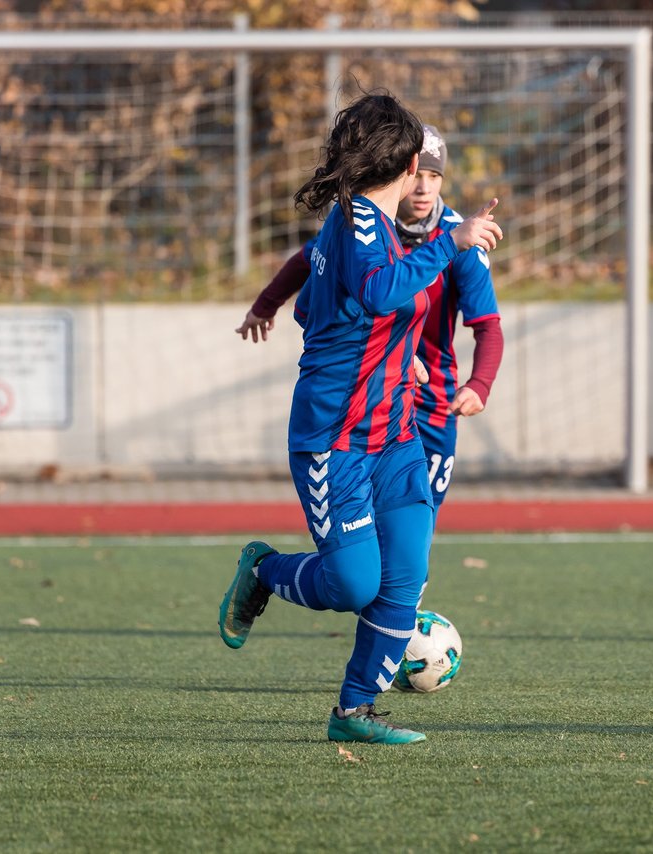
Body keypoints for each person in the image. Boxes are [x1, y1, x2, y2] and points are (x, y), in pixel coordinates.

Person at [218, 92, 503, 744]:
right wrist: (451, 243)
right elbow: (379, 294)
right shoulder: (356, 225)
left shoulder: (369, 228)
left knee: (406, 572)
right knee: (353, 583)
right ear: (402, 164)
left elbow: (340, 309)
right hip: (334, 439)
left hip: (396, 432)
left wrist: (401, 363)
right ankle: (262, 570)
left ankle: (353, 711)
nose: (424, 178)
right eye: (419, 165)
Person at [236, 124, 503, 514]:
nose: (426, 188)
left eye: (436, 177)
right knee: (363, 536)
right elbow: (307, 261)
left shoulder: (459, 238)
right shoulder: (367, 226)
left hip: (430, 404)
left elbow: (488, 326)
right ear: (403, 172)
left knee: (413, 536)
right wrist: (265, 305)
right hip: (369, 395)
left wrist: (479, 384)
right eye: (420, 175)